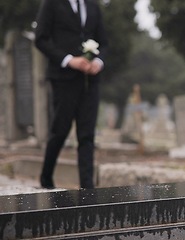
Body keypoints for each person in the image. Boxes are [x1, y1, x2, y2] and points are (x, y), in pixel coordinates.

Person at [34, 0, 108, 189]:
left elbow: (104, 42)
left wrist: (98, 62)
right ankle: (46, 179)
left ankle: (87, 189)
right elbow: (41, 39)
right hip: (63, 78)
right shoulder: (51, 4)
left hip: (90, 81)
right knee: (60, 130)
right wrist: (68, 60)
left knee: (87, 135)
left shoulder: (93, 6)